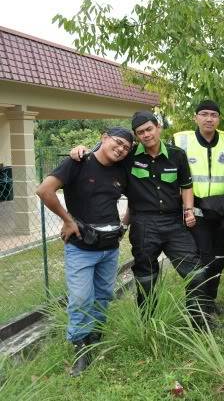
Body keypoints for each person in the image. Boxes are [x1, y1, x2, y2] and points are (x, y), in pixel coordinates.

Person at [71, 112, 212, 327]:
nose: (146, 135)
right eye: (140, 133)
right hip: (144, 224)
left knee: (195, 273)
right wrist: (81, 149)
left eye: (149, 129)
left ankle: (198, 321)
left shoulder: (177, 155)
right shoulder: (129, 157)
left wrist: (189, 210)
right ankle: (147, 323)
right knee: (146, 277)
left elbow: (186, 186)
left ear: (158, 127)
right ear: (136, 137)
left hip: (174, 223)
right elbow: (105, 154)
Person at [37, 127, 132, 376]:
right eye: (118, 142)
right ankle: (80, 350)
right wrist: (68, 221)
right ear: (104, 137)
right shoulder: (77, 162)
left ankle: (94, 339)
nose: (121, 149)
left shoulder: (123, 169)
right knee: (80, 299)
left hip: (110, 248)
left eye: (126, 147)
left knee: (103, 296)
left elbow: (136, 196)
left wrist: (123, 224)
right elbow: (44, 190)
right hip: (81, 248)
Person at [173, 100, 224, 315]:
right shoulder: (181, 139)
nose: (209, 118)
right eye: (204, 114)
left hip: (222, 211)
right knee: (201, 259)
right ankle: (197, 307)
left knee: (219, 259)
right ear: (196, 117)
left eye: (214, 114)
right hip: (196, 211)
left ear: (219, 119)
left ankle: (210, 301)